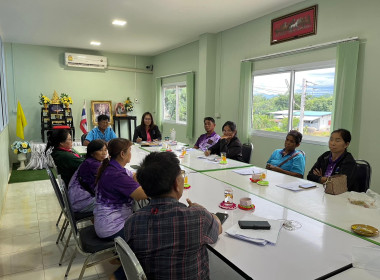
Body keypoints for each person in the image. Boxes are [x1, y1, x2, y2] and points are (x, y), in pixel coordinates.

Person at [124, 152, 222, 280]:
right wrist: (204, 210)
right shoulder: (199, 216)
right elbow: (218, 228)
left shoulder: (132, 222)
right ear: (177, 184)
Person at [68, 139, 107, 213]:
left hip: (77, 198)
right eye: (100, 150)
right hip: (82, 202)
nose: (104, 153)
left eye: (105, 150)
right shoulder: (94, 165)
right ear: (92, 153)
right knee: (118, 202)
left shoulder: (88, 161)